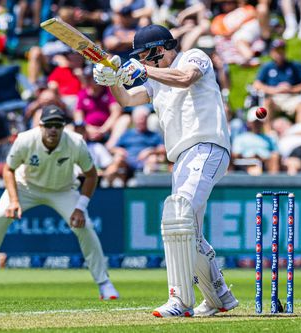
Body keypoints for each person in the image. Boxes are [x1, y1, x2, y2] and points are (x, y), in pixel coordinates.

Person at [93, 24, 239, 317]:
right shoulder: (155, 80)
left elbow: (185, 79)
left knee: (177, 216)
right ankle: (219, 296)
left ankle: (180, 300)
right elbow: (126, 100)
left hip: (207, 145)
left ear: (160, 49)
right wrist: (112, 80)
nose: (144, 62)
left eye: (146, 57)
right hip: (182, 157)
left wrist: (144, 72)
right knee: (188, 231)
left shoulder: (193, 57)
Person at [0, 105, 119, 301]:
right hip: (26, 186)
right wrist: (14, 201)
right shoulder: (25, 140)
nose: (53, 129)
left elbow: (91, 175)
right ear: (41, 126)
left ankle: (104, 283)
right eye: (49, 125)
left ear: (64, 127)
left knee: (86, 228)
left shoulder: (75, 142)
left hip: (63, 190)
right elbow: (8, 169)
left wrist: (81, 207)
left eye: (57, 125)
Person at [252, 39, 301, 131]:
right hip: (274, 97)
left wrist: (291, 89)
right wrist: (275, 90)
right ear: (271, 52)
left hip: (291, 97)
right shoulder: (267, 67)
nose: (279, 53)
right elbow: (257, 84)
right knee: (267, 103)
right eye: (277, 51)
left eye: (282, 50)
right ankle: (268, 132)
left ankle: (299, 132)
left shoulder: (295, 66)